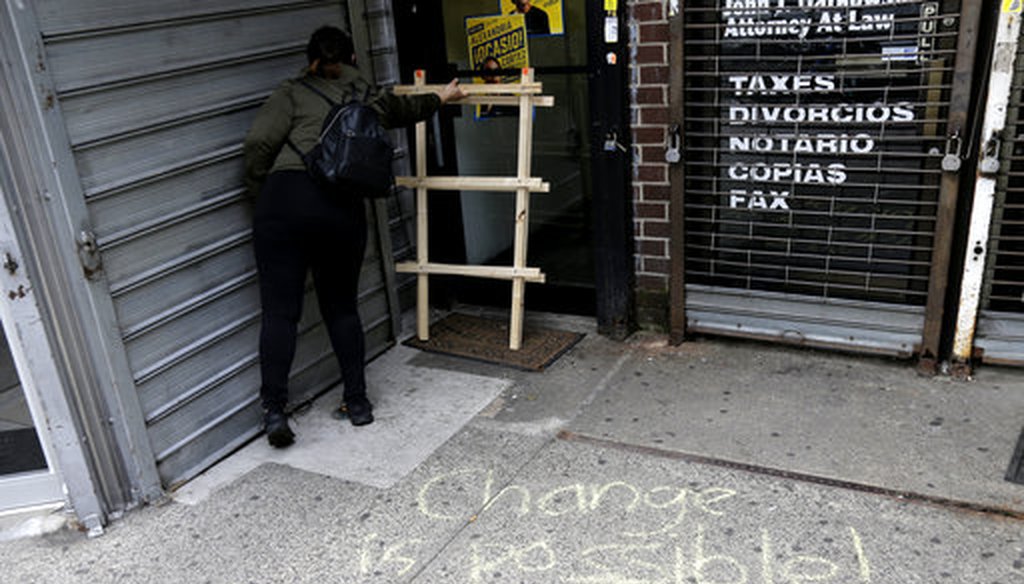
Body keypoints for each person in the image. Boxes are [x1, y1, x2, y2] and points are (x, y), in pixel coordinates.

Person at [243, 26, 466, 448]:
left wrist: (262, 193)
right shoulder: (365, 93)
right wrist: (443, 96)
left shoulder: (290, 92)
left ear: (309, 58)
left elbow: (258, 143)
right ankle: (357, 402)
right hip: (339, 208)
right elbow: (408, 109)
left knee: (279, 313)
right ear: (353, 59)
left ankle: (274, 410)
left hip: (284, 202)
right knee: (342, 309)